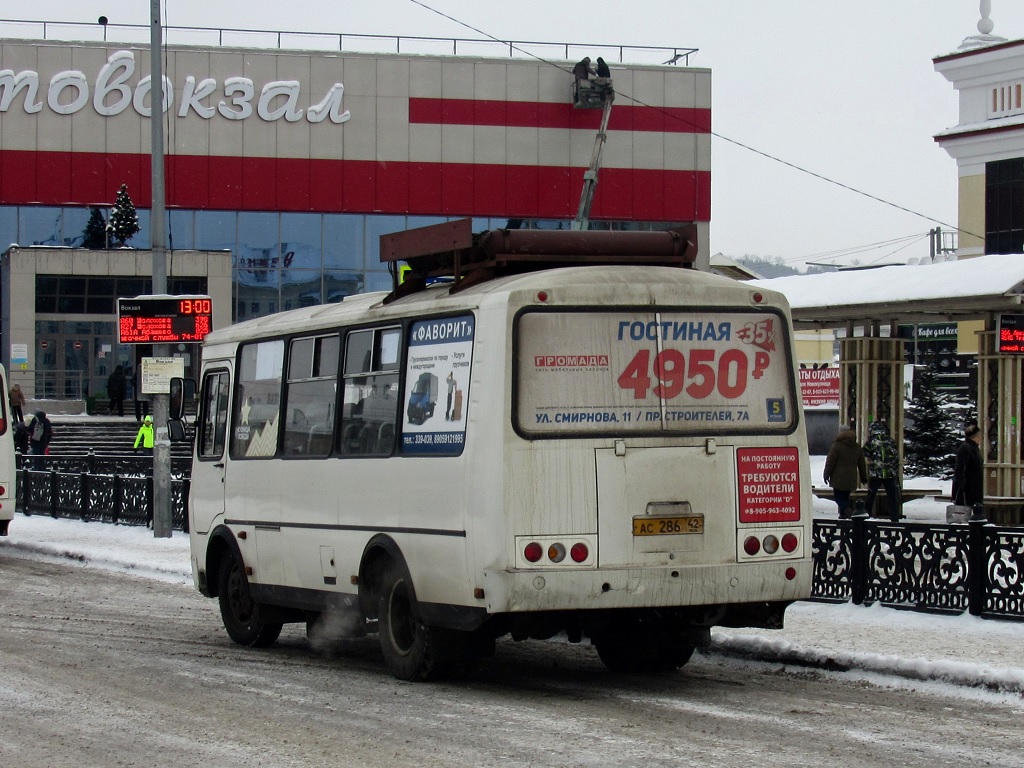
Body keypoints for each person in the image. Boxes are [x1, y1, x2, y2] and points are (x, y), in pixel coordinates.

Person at [822, 424, 867, 519]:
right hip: (851, 477)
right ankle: (843, 515)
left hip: (838, 477)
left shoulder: (837, 446)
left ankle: (848, 511)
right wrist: (863, 477)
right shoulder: (856, 446)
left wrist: (826, 475)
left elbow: (830, 462)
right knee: (845, 497)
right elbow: (861, 463)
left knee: (838, 497)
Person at [862, 420, 902, 521]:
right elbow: (896, 457)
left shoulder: (872, 441)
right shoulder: (890, 440)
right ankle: (894, 516)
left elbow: (864, 453)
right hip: (890, 473)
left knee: (871, 495)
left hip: (876, 473)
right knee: (892, 496)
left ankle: (867, 514)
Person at [952, 423, 984, 510]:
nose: (981, 438)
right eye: (979, 435)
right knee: (967, 512)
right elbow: (960, 468)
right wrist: (961, 486)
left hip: (974, 488)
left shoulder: (974, 448)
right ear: (975, 436)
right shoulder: (965, 448)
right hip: (968, 489)